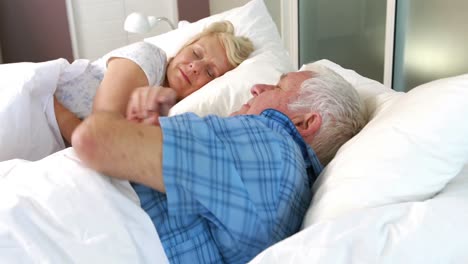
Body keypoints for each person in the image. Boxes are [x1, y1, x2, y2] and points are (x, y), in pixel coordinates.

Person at [71, 64, 368, 263]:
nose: (256, 88)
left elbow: (94, 140)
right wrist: (145, 131)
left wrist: (112, 123)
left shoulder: (269, 146)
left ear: (305, 122)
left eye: (277, 87)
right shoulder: (284, 186)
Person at [53, 20, 254, 145]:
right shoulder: (149, 58)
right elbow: (97, 135)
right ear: (184, 47)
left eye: (210, 72)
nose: (195, 67)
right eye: (196, 53)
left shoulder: (173, 113)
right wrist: (53, 107)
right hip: (37, 106)